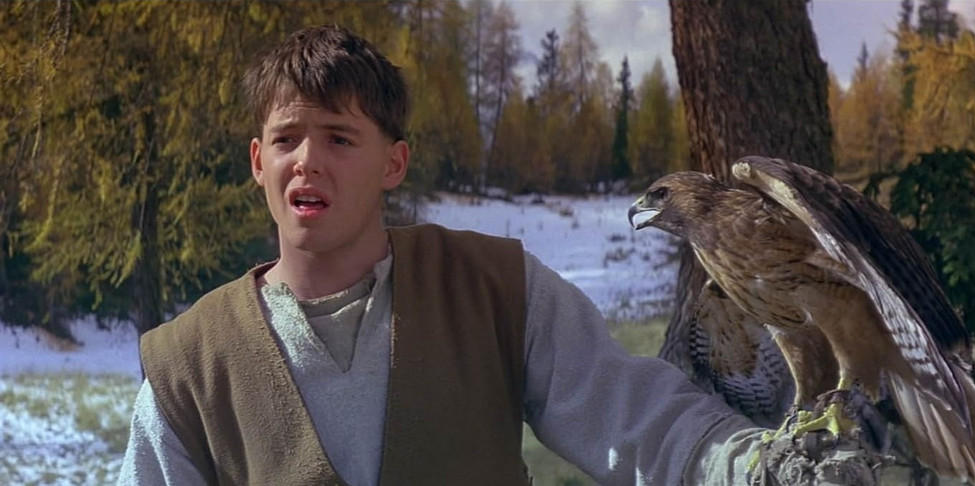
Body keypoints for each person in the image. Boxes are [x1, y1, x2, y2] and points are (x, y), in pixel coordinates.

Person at [117, 24, 769, 486]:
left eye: (340, 138)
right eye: (287, 139)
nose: (307, 161)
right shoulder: (191, 365)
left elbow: (634, 418)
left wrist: (756, 467)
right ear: (259, 161)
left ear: (393, 163)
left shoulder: (494, 291)